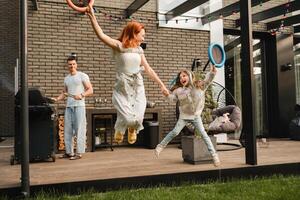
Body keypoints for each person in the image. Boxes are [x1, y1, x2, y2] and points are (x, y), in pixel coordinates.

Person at [86, 5, 169, 144]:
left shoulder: (139, 51)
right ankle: (121, 128)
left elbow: (148, 69)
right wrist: (92, 17)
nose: (143, 39)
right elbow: (101, 35)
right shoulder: (119, 46)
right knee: (126, 115)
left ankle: (132, 129)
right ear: (134, 33)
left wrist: (162, 85)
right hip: (122, 86)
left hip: (138, 85)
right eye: (142, 35)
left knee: (140, 113)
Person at [154, 65, 221, 167]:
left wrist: (212, 72)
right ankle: (160, 146)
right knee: (175, 131)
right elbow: (172, 99)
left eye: (184, 76)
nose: (182, 79)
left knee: (203, 134)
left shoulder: (198, 86)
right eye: (180, 77)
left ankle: (214, 155)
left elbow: (208, 80)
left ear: (189, 76)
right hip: (184, 115)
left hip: (196, 115)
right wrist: (166, 94)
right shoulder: (179, 90)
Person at [53, 54, 93, 160]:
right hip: (69, 106)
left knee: (79, 129)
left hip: (79, 106)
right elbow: (64, 93)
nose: (72, 66)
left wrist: (82, 95)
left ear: (77, 64)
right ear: (67, 66)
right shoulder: (66, 78)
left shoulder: (82, 76)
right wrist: (57, 99)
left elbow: (90, 90)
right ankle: (69, 152)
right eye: (70, 64)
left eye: (74, 64)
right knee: (67, 130)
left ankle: (79, 153)